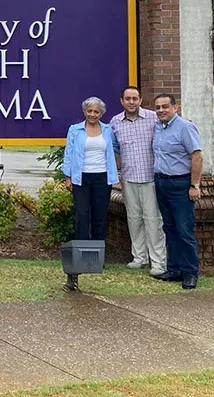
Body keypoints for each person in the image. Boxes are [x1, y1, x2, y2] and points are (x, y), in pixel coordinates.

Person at [60, 96, 119, 292]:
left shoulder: (109, 130)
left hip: (102, 177)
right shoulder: (75, 130)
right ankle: (82, 258)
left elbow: (115, 150)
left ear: (101, 113)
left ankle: (97, 258)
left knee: (100, 216)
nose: (92, 114)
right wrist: (67, 177)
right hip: (81, 178)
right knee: (83, 216)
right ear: (84, 112)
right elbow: (68, 153)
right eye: (89, 111)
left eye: (96, 112)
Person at [110, 86, 167, 276]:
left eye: (135, 98)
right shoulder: (116, 122)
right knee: (134, 219)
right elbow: (116, 147)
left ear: (140, 100)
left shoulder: (153, 118)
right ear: (122, 101)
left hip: (150, 178)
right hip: (128, 178)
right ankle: (139, 257)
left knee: (153, 221)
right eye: (128, 99)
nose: (131, 102)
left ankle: (158, 261)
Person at [151, 93, 202, 290]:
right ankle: (174, 269)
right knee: (169, 228)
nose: (161, 110)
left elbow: (197, 156)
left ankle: (190, 272)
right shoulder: (158, 127)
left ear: (175, 107)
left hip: (181, 184)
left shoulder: (185, 127)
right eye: (158, 107)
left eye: (165, 107)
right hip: (161, 182)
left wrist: (194, 185)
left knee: (184, 230)